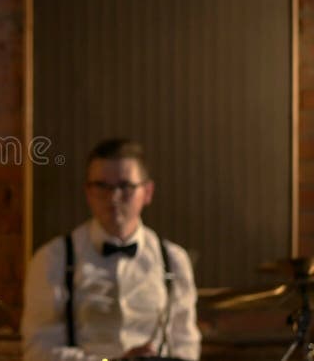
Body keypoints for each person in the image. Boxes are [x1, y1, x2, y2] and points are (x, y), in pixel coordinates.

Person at [21, 139, 201, 360]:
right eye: (101, 187)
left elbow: (185, 345)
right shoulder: (53, 258)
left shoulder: (174, 260)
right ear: (88, 192)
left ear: (147, 192)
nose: (113, 197)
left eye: (125, 186)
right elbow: (38, 351)